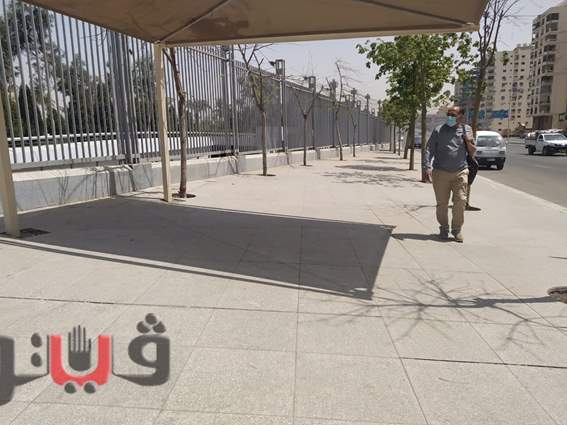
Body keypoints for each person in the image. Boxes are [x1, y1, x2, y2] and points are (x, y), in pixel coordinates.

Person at [423, 106, 476, 242]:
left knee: (461, 201)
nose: (450, 117)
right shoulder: (438, 130)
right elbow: (429, 149)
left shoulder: (467, 129)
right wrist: (427, 167)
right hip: (440, 172)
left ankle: (457, 230)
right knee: (442, 204)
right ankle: (444, 228)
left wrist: (467, 140)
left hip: (460, 171)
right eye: (448, 114)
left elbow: (472, 151)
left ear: (461, 116)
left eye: (453, 114)